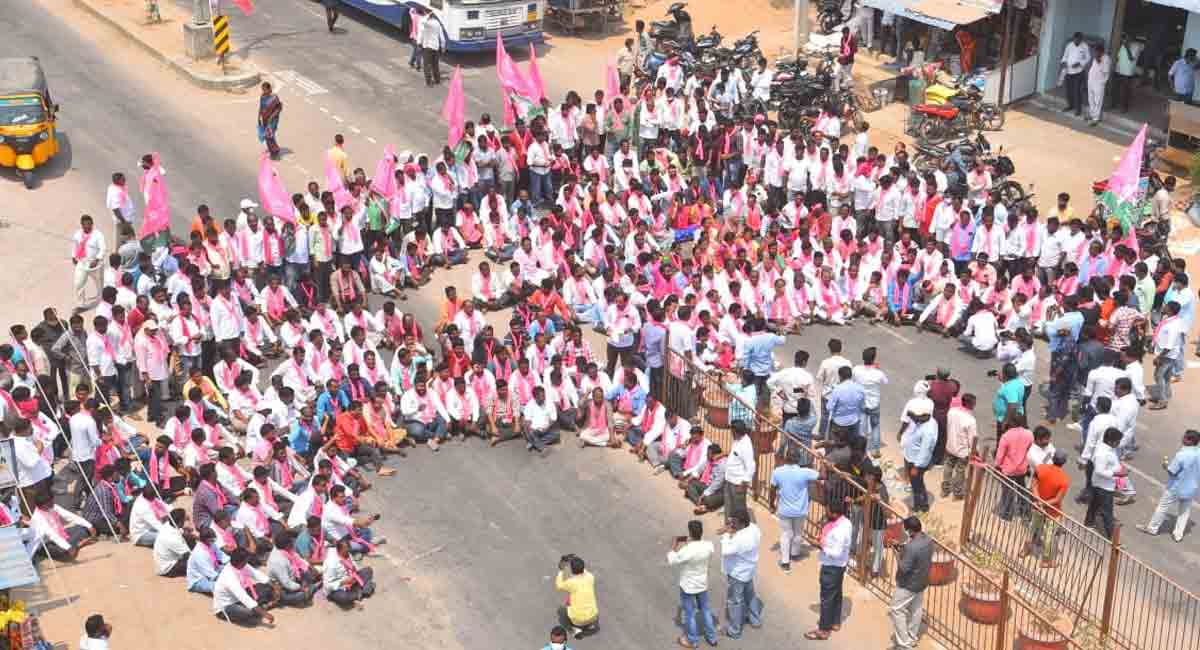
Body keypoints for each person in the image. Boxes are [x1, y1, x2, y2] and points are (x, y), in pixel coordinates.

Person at [1138, 430, 1200, 542]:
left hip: (1176, 488)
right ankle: (1178, 535)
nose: (1182, 439)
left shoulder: (1182, 455)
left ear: (1189, 441)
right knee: (1184, 512)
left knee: (1162, 507)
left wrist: (1166, 466)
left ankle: (1152, 528)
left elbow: (1172, 472)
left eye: (1184, 437)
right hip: (1191, 489)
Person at [667, 520, 718, 648]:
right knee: (705, 610)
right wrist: (691, 539)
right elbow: (702, 544)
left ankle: (692, 641)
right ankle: (712, 638)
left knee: (689, 614)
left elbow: (672, 560)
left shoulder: (687, 550)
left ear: (690, 533)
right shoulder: (708, 546)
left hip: (688, 586)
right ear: (701, 532)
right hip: (702, 584)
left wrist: (673, 545)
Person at [768, 449, 819, 573]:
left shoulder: (777, 472)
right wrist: (822, 461)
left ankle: (785, 562)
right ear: (798, 459)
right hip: (800, 510)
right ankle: (795, 554)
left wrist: (771, 504)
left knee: (786, 534)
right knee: (798, 533)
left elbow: (772, 489)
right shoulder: (804, 472)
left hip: (784, 510)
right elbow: (822, 475)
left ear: (786, 458)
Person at [807, 500, 851, 641]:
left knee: (826, 598)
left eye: (828, 511)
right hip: (840, 566)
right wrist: (824, 540)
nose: (826, 512)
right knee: (836, 594)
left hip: (832, 566)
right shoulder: (846, 522)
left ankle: (823, 630)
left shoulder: (839, 531)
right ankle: (835, 622)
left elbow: (836, 552)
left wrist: (819, 545)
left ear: (835, 513)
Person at [888, 515, 933, 650]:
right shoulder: (928, 540)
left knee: (895, 610)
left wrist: (896, 553)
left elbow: (904, 568)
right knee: (916, 609)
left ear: (910, 531)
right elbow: (915, 556)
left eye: (906, 530)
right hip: (922, 581)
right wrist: (902, 547)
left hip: (908, 585)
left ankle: (904, 644)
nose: (905, 533)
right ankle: (912, 637)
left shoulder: (912, 547)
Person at [719, 511, 762, 640]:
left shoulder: (740, 538)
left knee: (735, 601)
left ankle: (734, 630)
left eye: (734, 522)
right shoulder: (754, 529)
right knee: (750, 595)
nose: (732, 524)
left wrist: (727, 534)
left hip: (737, 574)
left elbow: (726, 551)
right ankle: (755, 620)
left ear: (742, 523)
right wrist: (732, 531)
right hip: (749, 570)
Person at [1025, 450, 1070, 567]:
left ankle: (1025, 550)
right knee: (1049, 535)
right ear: (1064, 462)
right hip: (1052, 510)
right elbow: (1057, 499)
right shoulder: (1064, 479)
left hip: (1037, 505)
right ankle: (1046, 561)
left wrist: (1039, 502)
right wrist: (1044, 504)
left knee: (1032, 529)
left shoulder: (1040, 468)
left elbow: (1034, 486)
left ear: (1053, 458)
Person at [212, 548, 277, 626]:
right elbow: (244, 597)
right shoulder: (229, 577)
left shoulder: (241, 565)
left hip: (240, 596)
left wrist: (274, 586)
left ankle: (260, 607)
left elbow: (257, 574)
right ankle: (260, 608)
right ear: (241, 562)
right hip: (227, 606)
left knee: (267, 587)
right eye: (246, 560)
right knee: (248, 612)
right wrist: (265, 614)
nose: (247, 562)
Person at [1085, 427, 1125, 539]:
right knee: (1107, 513)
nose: (1119, 443)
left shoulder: (1108, 449)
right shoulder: (1102, 453)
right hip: (1104, 486)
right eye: (1117, 441)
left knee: (1095, 504)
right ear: (1110, 441)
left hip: (1103, 484)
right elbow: (1099, 471)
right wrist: (1116, 474)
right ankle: (1112, 537)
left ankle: (1089, 522)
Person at [899, 399, 936, 513]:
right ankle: (922, 504)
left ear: (924, 415)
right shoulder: (924, 422)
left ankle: (919, 506)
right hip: (912, 458)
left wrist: (916, 466)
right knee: (918, 483)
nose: (913, 419)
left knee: (916, 485)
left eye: (915, 416)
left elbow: (925, 450)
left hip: (917, 462)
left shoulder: (928, 430)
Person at [324, 537, 377, 608]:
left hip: (351, 580)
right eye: (347, 548)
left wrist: (354, 571)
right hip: (338, 587)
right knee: (343, 597)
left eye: (349, 547)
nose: (349, 549)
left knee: (368, 570)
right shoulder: (331, 563)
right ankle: (361, 591)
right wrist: (343, 582)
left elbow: (355, 567)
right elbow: (328, 585)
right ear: (340, 550)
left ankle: (357, 593)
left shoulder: (347, 554)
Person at [555, 554, 599, 639]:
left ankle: (574, 630)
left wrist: (561, 570)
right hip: (594, 616)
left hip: (578, 620)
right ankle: (589, 626)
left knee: (561, 611)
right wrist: (575, 560)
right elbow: (582, 570)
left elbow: (559, 585)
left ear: (571, 569)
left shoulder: (571, 583)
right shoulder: (590, 577)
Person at [724, 420, 755, 527]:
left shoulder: (746, 445)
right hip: (729, 479)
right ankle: (729, 525)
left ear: (736, 432)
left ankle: (742, 528)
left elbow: (750, 466)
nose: (731, 433)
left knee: (739, 508)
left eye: (732, 431)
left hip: (737, 483)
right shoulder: (737, 440)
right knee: (729, 505)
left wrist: (743, 484)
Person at [1060, 32, 1091, 116]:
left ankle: (1078, 109)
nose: (1076, 41)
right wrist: (1063, 62)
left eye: (1078, 40)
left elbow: (1088, 58)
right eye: (1075, 39)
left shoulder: (1085, 46)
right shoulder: (1069, 45)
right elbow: (1065, 56)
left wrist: (1080, 63)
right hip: (1069, 71)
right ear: (1073, 38)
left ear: (1081, 39)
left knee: (1077, 91)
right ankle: (1070, 105)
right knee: (1069, 90)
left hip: (1079, 72)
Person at [418, 9, 446, 86]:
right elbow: (442, 37)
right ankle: (437, 80)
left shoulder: (426, 23)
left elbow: (421, 33)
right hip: (436, 47)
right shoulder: (437, 23)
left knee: (427, 65)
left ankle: (429, 82)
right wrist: (443, 46)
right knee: (435, 64)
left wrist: (419, 43)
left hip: (427, 47)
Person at [1086, 43, 1111, 126]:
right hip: (1091, 81)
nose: (1095, 53)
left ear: (1101, 52)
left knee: (1098, 101)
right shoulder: (1096, 57)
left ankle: (1096, 119)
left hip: (1099, 83)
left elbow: (1105, 71)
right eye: (1095, 51)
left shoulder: (1106, 58)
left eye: (1096, 51)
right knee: (1091, 99)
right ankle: (1092, 114)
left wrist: (1099, 61)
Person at [257, 81, 283, 159]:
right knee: (266, 135)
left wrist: (271, 117)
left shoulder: (274, 98)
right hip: (265, 119)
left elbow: (279, 108)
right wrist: (259, 117)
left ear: (269, 89)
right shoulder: (262, 97)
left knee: (269, 135)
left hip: (273, 120)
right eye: (263, 90)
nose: (264, 91)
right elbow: (261, 107)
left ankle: (274, 152)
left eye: (265, 90)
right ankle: (273, 149)